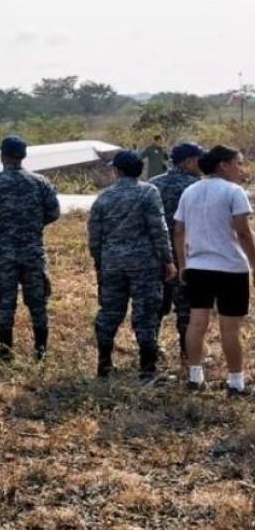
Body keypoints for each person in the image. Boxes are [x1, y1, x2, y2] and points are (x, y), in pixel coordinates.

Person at [0, 135, 60, 360]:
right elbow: (54, 212)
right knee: (38, 301)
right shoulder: (40, 182)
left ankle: (5, 350)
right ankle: (41, 350)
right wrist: (33, 226)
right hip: (33, 250)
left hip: (3, 251)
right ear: (23, 156)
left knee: (5, 301)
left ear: (1, 156)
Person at [88, 151, 176, 381]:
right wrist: (167, 260)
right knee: (145, 314)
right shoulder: (148, 192)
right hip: (144, 264)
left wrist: (100, 262)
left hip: (112, 263)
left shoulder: (104, 197)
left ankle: (104, 366)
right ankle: (147, 372)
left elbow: (94, 235)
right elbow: (159, 229)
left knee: (109, 313)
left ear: (118, 171)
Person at [174, 145, 255, 395]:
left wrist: (183, 264)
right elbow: (243, 231)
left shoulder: (190, 191)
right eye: (238, 163)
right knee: (229, 328)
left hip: (198, 267)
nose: (241, 169)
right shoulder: (234, 192)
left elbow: (178, 230)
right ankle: (235, 383)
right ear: (224, 165)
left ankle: (195, 378)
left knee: (197, 323)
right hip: (230, 267)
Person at [151, 142, 204, 359]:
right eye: (199, 159)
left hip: (157, 255)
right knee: (186, 307)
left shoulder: (153, 184)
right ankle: (187, 353)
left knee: (156, 305)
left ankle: (151, 349)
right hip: (186, 255)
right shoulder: (195, 187)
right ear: (188, 161)